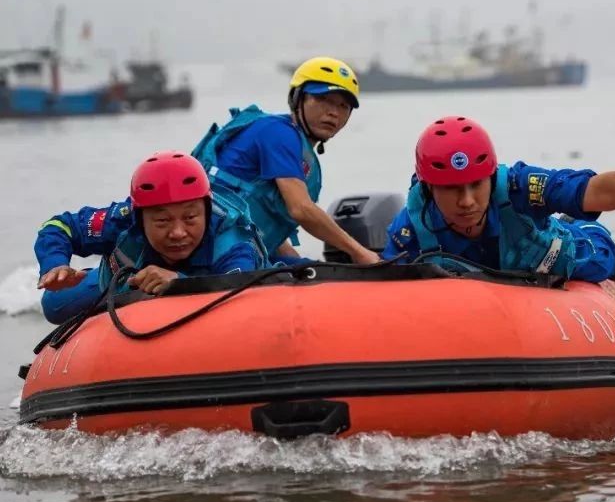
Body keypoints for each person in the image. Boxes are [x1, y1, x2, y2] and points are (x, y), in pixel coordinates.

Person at [384, 115, 615, 281]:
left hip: (568, 259)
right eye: (452, 189)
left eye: (476, 185)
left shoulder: (520, 186)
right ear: (429, 188)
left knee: (598, 258)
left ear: (490, 178)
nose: (468, 201)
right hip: (486, 286)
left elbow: (599, 190)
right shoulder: (411, 229)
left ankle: (579, 229)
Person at [36, 151, 266, 324]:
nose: (178, 232)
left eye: (190, 218)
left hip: (205, 280)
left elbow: (236, 300)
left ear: (206, 212)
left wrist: (180, 283)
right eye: (162, 221)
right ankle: (100, 279)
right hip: (126, 284)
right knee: (54, 304)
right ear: (140, 217)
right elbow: (59, 225)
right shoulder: (122, 220)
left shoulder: (233, 244)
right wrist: (55, 263)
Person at [192, 56, 380, 265]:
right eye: (323, 100)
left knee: (310, 271)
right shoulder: (279, 133)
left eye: (343, 106)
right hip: (217, 252)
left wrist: (305, 266)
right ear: (296, 99)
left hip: (244, 247)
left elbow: (262, 223)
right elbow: (301, 209)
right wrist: (360, 253)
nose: (333, 112)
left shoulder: (292, 142)